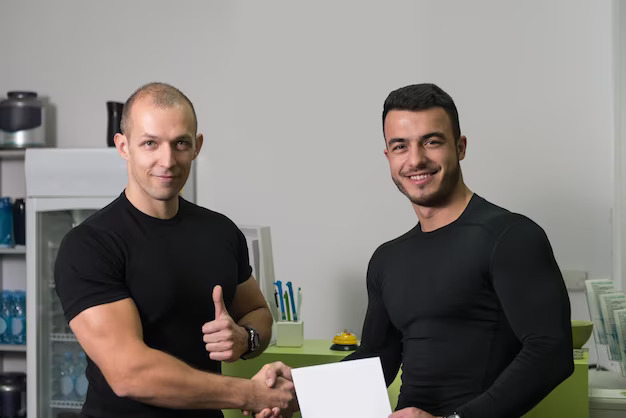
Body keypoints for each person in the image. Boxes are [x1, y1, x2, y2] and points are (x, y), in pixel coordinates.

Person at [260, 83, 574, 418]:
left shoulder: (511, 236)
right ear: (388, 157)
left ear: (460, 147)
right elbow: (378, 359)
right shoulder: (387, 259)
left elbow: (551, 352)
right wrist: (299, 390)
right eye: (400, 146)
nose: (416, 160)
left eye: (432, 142)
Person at [54, 82, 294, 418]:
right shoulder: (90, 245)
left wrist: (245, 338)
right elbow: (129, 374)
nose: (167, 161)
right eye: (150, 143)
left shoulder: (221, 232)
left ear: (196, 146)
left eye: (180, 143)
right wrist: (250, 395)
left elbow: (257, 310)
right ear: (123, 147)